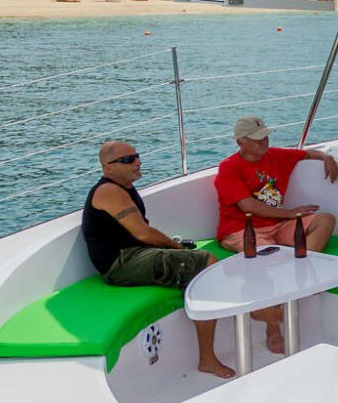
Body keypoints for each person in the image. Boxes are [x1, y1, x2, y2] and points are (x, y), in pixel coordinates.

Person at [82, 140, 229, 376]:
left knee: (203, 267)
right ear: (108, 167)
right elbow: (142, 232)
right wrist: (178, 249)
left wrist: (176, 249)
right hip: (121, 264)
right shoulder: (109, 191)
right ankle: (207, 359)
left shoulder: (124, 186)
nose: (138, 162)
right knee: (205, 262)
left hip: (134, 255)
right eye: (128, 159)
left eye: (137, 155)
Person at [214, 116, 338, 351]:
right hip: (242, 230)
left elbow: (306, 154)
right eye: (257, 138)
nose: (264, 141)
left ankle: (299, 270)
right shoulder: (229, 167)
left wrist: (328, 157)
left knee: (325, 220)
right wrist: (291, 213)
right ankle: (272, 326)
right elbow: (247, 206)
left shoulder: (277, 155)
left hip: (278, 224)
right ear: (241, 142)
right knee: (268, 262)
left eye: (265, 135)